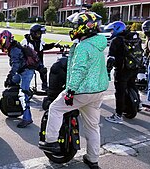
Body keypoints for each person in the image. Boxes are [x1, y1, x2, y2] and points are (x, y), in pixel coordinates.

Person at [39, 12, 109, 169]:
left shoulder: (83, 47)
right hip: (97, 92)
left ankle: (51, 142)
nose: (74, 28)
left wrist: (70, 91)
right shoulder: (98, 43)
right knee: (92, 127)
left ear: (83, 27)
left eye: (76, 25)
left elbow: (79, 70)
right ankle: (92, 159)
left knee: (55, 108)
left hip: (81, 91)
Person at [0, 30, 35, 128]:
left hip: (26, 72)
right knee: (13, 82)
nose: (2, 48)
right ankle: (16, 104)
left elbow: (15, 65)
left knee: (23, 94)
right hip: (22, 71)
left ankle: (27, 118)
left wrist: (9, 76)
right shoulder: (13, 47)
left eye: (2, 45)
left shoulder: (14, 50)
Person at [104, 21, 141, 124]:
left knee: (119, 92)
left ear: (117, 29)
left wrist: (108, 70)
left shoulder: (116, 40)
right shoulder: (133, 38)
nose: (111, 32)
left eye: (112, 30)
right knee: (133, 85)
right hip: (134, 68)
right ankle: (139, 104)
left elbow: (111, 59)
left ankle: (118, 115)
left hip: (122, 70)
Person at [20, 23, 59, 91]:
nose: (39, 35)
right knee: (28, 74)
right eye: (38, 34)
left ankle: (44, 86)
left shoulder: (40, 41)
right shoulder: (25, 42)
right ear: (33, 33)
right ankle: (25, 87)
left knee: (43, 70)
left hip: (38, 62)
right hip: (28, 63)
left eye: (40, 34)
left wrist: (53, 45)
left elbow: (44, 46)